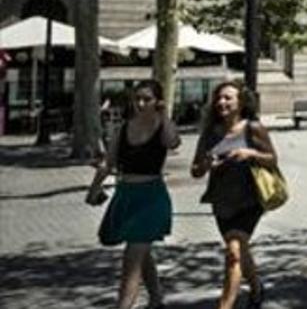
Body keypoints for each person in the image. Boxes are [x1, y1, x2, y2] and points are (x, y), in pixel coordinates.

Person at [86, 81, 181, 309]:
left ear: (157, 101)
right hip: (126, 195)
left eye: (146, 99)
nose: (140, 103)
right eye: (137, 98)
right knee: (140, 253)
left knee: (132, 260)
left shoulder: (162, 126)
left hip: (151, 198)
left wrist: (164, 114)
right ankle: (156, 299)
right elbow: (107, 164)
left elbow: (173, 142)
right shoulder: (124, 128)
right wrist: (93, 190)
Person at [191, 79, 278, 309]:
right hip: (222, 201)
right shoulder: (210, 132)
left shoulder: (253, 128)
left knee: (233, 252)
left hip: (250, 199)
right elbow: (195, 171)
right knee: (239, 251)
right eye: (219, 98)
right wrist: (206, 165)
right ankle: (257, 286)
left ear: (240, 102)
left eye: (228, 98)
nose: (222, 102)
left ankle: (225, 306)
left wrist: (249, 152)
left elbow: (272, 159)